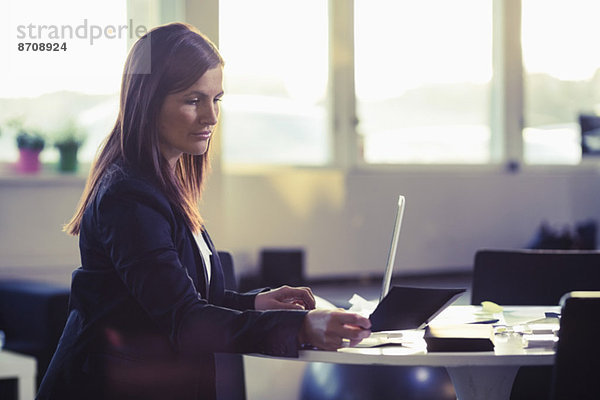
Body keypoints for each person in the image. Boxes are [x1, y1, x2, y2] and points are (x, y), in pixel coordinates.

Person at [36, 22, 371, 400]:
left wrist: (257, 303)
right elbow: (185, 320)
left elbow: (182, 299)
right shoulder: (128, 196)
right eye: (193, 100)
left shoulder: (162, 183)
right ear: (148, 102)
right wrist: (299, 328)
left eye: (217, 99)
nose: (211, 117)